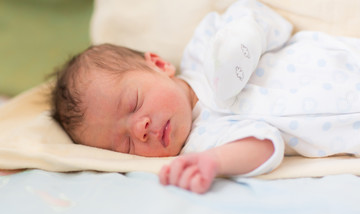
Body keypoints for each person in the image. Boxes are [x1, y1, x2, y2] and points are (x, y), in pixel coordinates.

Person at [52, 0, 360, 194]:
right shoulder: (201, 144)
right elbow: (265, 145)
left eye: (134, 103)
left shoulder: (204, 49)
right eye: (125, 143)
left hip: (346, 60)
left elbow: (261, 16)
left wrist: (242, 40)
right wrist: (215, 161)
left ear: (160, 64)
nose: (140, 128)